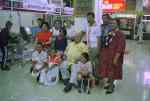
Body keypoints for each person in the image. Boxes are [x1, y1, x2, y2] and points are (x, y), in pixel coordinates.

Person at [98, 19, 126, 94]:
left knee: (113, 72)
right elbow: (106, 43)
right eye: (111, 23)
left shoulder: (120, 34)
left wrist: (116, 58)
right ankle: (110, 84)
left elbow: (120, 47)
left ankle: (111, 87)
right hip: (108, 56)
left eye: (114, 23)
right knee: (109, 71)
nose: (112, 25)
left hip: (114, 56)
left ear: (118, 24)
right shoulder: (110, 33)